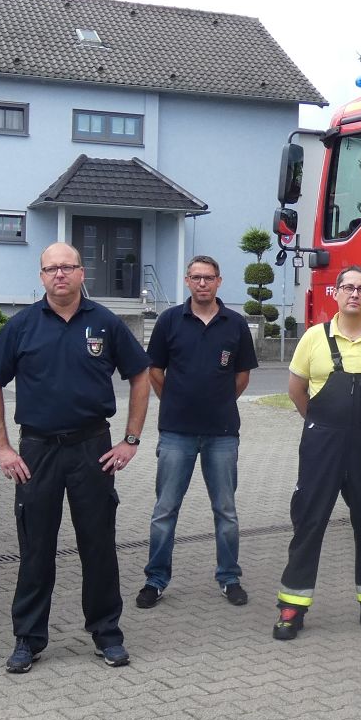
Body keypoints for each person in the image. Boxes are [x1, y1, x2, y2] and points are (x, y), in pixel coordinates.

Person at [0, 243, 149, 672]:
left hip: (93, 449)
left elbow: (140, 375)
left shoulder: (106, 324)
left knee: (98, 546)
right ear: (41, 277)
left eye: (68, 267)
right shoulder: (21, 326)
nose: (60, 274)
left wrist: (130, 439)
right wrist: (2, 448)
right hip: (36, 452)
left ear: (81, 273)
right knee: (35, 548)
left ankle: (107, 634)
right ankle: (28, 639)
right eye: (51, 268)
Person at [274, 265, 361, 640]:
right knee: (310, 520)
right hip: (323, 443)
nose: (354, 293)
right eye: (347, 287)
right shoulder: (314, 338)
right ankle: (292, 606)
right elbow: (296, 391)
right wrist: (323, 424)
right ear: (335, 293)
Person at [137, 256, 258, 610]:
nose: (202, 283)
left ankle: (229, 577)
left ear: (219, 281)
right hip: (176, 431)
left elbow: (242, 376)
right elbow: (154, 369)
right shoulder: (169, 321)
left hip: (222, 433)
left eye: (208, 278)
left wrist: (218, 403)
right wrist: (174, 400)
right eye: (196, 277)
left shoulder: (235, 324)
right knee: (165, 510)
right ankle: (155, 580)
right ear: (187, 281)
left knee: (225, 510)